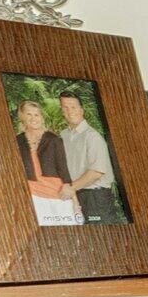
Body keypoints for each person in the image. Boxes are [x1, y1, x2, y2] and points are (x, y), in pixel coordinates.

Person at [55, 88, 123, 225]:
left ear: (81, 110)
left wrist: (72, 188)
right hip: (74, 196)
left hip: (96, 198)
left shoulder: (92, 137)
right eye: (65, 108)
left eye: (73, 107)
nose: (70, 111)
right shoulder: (63, 135)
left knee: (103, 238)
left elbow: (96, 172)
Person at [13, 96, 78, 225]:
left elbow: (64, 169)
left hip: (58, 195)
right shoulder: (17, 141)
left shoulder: (54, 139)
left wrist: (75, 203)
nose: (33, 118)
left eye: (37, 115)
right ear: (22, 117)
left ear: (41, 118)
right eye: (29, 114)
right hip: (34, 196)